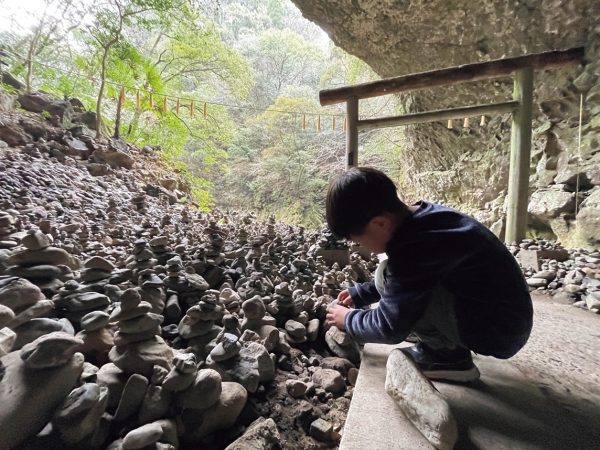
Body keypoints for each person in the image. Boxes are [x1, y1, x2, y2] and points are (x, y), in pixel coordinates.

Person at [325, 167, 533, 382]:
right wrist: (362, 293)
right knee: (385, 274)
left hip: (498, 333)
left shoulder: (414, 249)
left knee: (388, 274)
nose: (362, 246)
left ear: (380, 223)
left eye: (358, 240)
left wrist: (348, 319)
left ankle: (447, 356)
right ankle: (442, 339)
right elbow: (410, 279)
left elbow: (388, 327)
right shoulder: (424, 220)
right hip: (503, 320)